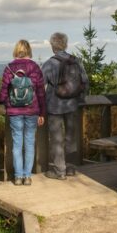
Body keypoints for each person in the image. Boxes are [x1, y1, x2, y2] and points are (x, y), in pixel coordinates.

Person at [0, 40, 46, 186]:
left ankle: (18, 177)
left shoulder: (9, 68)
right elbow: (41, 92)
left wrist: (1, 101)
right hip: (32, 111)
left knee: (17, 144)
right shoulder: (35, 67)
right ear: (28, 51)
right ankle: (27, 177)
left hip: (14, 111)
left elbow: (4, 90)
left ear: (16, 50)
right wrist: (42, 113)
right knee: (30, 144)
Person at [41, 32, 89, 180]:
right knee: (71, 137)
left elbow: (40, 85)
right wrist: (79, 98)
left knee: (56, 138)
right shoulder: (76, 61)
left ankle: (59, 171)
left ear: (52, 46)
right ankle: (71, 168)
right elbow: (85, 82)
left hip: (54, 106)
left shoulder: (49, 63)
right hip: (73, 105)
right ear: (66, 44)